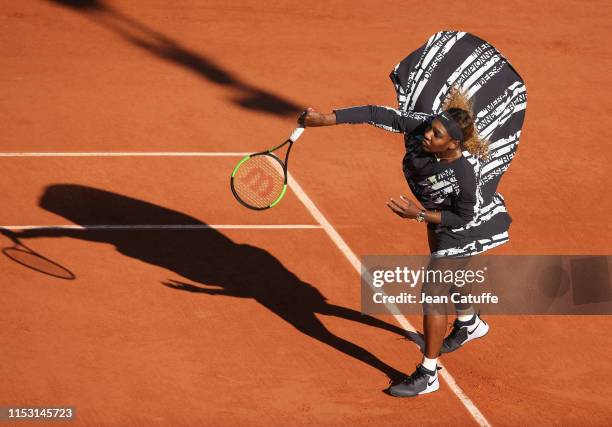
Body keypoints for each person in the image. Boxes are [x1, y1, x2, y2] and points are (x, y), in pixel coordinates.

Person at [297, 86, 506, 397]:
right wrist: (327, 119)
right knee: (449, 274)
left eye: (436, 135)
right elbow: (375, 114)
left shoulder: (464, 176)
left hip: (466, 227)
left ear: (453, 144)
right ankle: (469, 323)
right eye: (431, 128)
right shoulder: (425, 127)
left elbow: (463, 218)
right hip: (437, 214)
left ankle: (428, 373)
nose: (427, 136)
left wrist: (420, 215)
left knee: (433, 290)